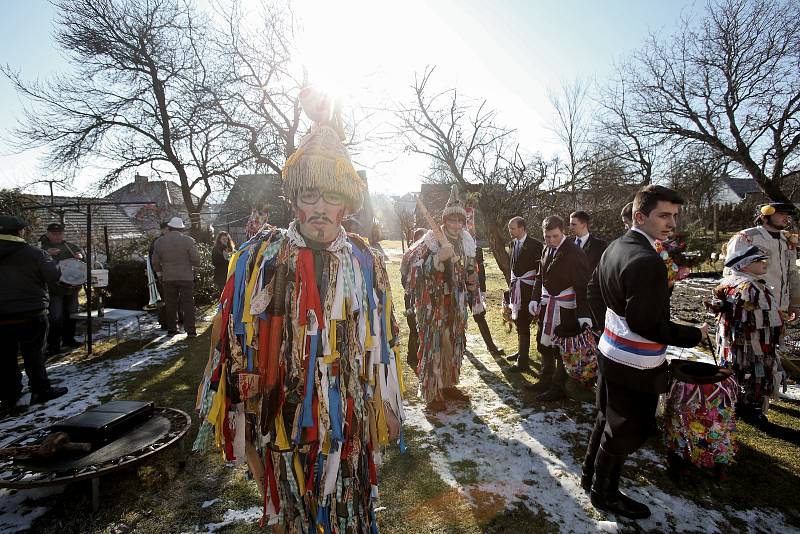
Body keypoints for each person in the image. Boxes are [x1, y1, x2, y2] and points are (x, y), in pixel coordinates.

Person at [193, 86, 403, 532]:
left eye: (331, 199)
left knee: (347, 509)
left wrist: (381, 404)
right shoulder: (258, 259)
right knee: (293, 513)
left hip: (348, 420)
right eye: (310, 197)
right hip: (282, 420)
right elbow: (234, 342)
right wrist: (244, 406)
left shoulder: (366, 262)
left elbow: (383, 345)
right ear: (294, 200)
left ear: (347, 204)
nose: (320, 210)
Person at [581, 185, 705, 519]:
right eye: (664, 215)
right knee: (627, 428)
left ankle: (590, 474)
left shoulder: (616, 245)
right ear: (640, 216)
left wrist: (608, 326)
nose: (672, 223)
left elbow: (595, 291)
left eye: (674, 216)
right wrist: (695, 334)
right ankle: (604, 493)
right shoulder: (647, 259)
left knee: (607, 415)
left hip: (610, 349)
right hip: (635, 360)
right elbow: (646, 324)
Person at [402, 185, 478, 411]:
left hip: (456, 304)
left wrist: (472, 281)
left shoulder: (466, 240)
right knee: (433, 346)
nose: (456, 226)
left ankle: (448, 385)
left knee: (452, 344)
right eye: (452, 221)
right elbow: (409, 267)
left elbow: (471, 269)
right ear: (445, 221)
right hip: (433, 304)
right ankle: (432, 392)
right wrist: (435, 259)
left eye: (459, 222)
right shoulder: (430, 239)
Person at [0, 215, 68, 414]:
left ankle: (9, 394)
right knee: (34, 354)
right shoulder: (34, 253)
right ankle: (40, 389)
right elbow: (54, 276)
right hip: (31, 311)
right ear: (20, 232)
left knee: (5, 356)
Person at [712, 243, 783, 426]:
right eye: (759, 260)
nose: (764, 263)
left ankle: (738, 403)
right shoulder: (748, 287)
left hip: (740, 342)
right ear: (744, 264)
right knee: (751, 372)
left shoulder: (731, 283)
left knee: (741, 371)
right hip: (751, 343)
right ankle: (750, 407)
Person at [527, 215, 591, 401]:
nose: (551, 241)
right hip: (547, 304)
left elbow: (582, 286)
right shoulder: (546, 249)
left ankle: (558, 388)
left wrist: (583, 314)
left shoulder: (575, 252)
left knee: (561, 348)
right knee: (543, 342)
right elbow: (540, 276)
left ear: (562, 231)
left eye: (555, 236)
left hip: (565, 308)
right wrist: (534, 298)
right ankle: (545, 379)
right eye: (547, 237)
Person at [724, 202, 800, 320]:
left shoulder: (788, 240)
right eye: (780, 214)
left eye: (787, 214)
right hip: (752, 306)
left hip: (780, 307)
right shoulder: (746, 237)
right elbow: (732, 272)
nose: (786, 217)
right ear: (764, 217)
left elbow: (793, 272)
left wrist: (795, 303)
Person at [504, 216, 543, 372]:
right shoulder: (512, 244)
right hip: (517, 288)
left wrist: (537, 295)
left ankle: (523, 361)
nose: (510, 231)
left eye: (512, 228)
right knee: (519, 321)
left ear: (522, 228)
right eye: (509, 228)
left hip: (529, 290)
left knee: (524, 322)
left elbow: (540, 271)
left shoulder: (535, 245)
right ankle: (521, 351)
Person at [39, 222, 84, 355]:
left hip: (72, 287)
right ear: (48, 234)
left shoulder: (69, 246)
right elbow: (35, 262)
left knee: (71, 315)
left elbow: (82, 256)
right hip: (54, 289)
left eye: (60, 233)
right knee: (55, 317)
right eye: (54, 233)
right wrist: (46, 253)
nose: (58, 236)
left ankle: (69, 339)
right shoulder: (41, 247)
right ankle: (53, 345)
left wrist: (80, 256)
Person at [152, 217, 200, 336]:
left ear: (169, 227)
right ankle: (191, 330)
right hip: (186, 277)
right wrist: (195, 269)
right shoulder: (189, 241)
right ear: (182, 229)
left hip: (168, 277)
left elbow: (155, 261)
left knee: (170, 304)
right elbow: (196, 258)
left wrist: (159, 274)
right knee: (188, 304)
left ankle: (172, 329)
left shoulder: (159, 241)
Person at [401, 227, 427, 369]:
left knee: (421, 326)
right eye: (420, 239)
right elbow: (403, 277)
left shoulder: (427, 254)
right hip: (411, 297)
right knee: (413, 326)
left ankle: (415, 356)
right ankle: (412, 356)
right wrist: (411, 287)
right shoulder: (409, 255)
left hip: (423, 297)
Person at [472, 245, 504, 356]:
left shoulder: (474, 246)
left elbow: (480, 269)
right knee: (457, 318)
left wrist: (483, 290)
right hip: (455, 288)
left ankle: (491, 346)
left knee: (480, 315)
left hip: (472, 287)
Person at [148, 222, 169, 329]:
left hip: (164, 274)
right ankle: (164, 322)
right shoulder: (158, 242)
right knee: (164, 299)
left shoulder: (161, 241)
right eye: (168, 229)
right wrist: (158, 274)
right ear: (163, 229)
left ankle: (167, 321)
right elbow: (154, 260)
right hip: (161, 275)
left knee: (166, 299)